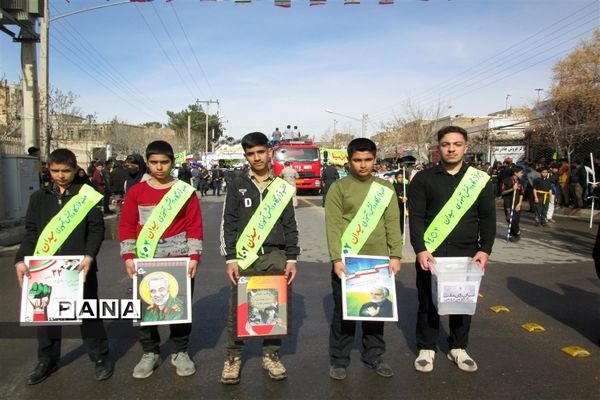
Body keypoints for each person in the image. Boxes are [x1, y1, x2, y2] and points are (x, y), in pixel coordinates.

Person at [14, 148, 113, 385]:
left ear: (75, 169)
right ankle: (46, 360)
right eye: (55, 170)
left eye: (65, 170)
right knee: (45, 315)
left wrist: (89, 256)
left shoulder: (86, 195)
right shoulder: (38, 198)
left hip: (80, 267)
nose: (60, 175)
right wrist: (20, 259)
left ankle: (100, 357)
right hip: (44, 267)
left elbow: (97, 229)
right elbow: (31, 232)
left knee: (89, 313)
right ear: (48, 169)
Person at [408, 126, 495, 373]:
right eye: (446, 144)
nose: (451, 148)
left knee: (462, 300)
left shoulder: (479, 180)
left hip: (466, 253)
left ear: (465, 147)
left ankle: (459, 347)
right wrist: (420, 249)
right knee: (427, 300)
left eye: (457, 144)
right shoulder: (423, 179)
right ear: (439, 148)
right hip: (432, 253)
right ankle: (426, 348)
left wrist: (485, 249)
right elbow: (415, 218)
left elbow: (488, 218)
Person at [219, 131, 299, 385]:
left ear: (269, 152)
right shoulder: (236, 184)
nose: (256, 158)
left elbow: (290, 224)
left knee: (274, 309)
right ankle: (233, 358)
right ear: (246, 156)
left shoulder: (281, 187)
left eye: (260, 152)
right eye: (251, 154)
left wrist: (292, 258)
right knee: (239, 309)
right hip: (245, 258)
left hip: (275, 256)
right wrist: (230, 257)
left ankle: (271, 355)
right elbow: (228, 223)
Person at [119, 140, 202, 379]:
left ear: (172, 163)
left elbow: (194, 224)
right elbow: (126, 225)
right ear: (147, 163)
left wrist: (194, 256)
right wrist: (128, 256)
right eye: (154, 162)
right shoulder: (136, 192)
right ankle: (150, 352)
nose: (159, 167)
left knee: (179, 308)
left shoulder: (184, 191)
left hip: (180, 259)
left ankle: (180, 351)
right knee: (146, 309)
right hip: (145, 260)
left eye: (164, 162)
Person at [325, 138, 402, 380]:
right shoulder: (339, 188)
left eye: (368, 160)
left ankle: (375, 356)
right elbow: (333, 226)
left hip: (377, 262)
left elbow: (392, 223)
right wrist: (337, 258)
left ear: (375, 160)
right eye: (357, 160)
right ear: (349, 161)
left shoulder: (385, 189)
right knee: (344, 314)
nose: (362, 165)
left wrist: (396, 255)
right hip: (348, 262)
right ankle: (339, 360)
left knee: (376, 313)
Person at [501, 166, 524, 241]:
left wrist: (519, 203)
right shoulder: (506, 181)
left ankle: (516, 233)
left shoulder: (520, 182)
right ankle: (513, 233)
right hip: (508, 203)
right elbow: (503, 192)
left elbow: (521, 193)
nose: (522, 174)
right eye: (521, 172)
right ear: (515, 173)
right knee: (510, 219)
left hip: (517, 203)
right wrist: (512, 189)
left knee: (515, 220)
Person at [392, 170, 407, 234]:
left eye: (402, 177)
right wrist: (401, 199)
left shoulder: (405, 186)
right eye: (399, 177)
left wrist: (406, 199)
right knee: (398, 222)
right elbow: (394, 197)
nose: (401, 179)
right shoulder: (394, 186)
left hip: (404, 207)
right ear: (396, 178)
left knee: (403, 221)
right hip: (397, 206)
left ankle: (402, 234)